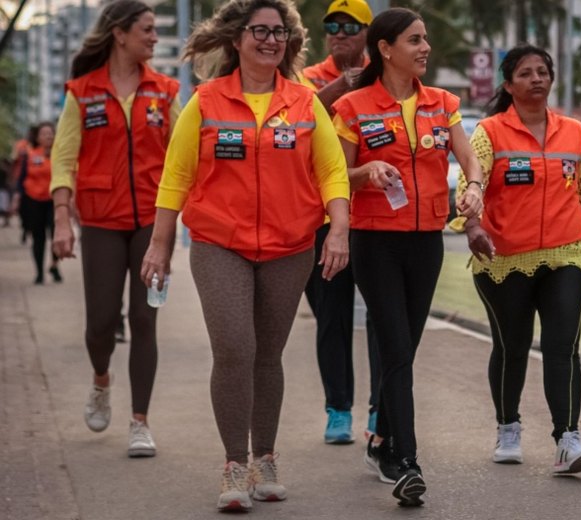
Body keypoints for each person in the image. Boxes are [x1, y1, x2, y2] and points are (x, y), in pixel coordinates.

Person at [140, 0, 350, 511]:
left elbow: (331, 172)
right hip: (219, 244)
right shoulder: (206, 101)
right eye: (259, 31)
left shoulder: (304, 103)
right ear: (237, 39)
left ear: (288, 42)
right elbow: (177, 175)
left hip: (291, 245)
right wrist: (160, 244)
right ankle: (235, 466)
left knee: (267, 355)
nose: (270, 39)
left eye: (278, 32)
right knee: (235, 347)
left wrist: (339, 227)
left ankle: (266, 458)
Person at [331, 7, 483, 507]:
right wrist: (366, 169)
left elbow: (467, 155)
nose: (425, 48)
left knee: (405, 349)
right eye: (415, 40)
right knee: (396, 346)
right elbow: (332, 174)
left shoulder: (443, 103)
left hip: (427, 240)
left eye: (426, 40)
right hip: (375, 241)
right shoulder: (353, 106)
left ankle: (379, 440)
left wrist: (475, 186)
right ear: (385, 48)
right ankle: (407, 461)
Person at [453, 44, 581, 476]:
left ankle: (568, 440)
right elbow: (469, 178)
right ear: (508, 84)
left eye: (543, 71)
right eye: (525, 73)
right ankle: (508, 428)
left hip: (567, 252)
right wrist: (473, 223)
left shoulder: (573, 130)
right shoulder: (490, 132)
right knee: (512, 346)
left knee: (563, 345)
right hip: (504, 257)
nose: (536, 79)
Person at [50, 0, 180, 459]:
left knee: (144, 319)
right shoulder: (82, 91)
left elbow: (183, 158)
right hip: (102, 221)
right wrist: (62, 217)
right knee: (100, 325)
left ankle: (140, 422)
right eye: (146, 30)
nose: (154, 37)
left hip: (152, 219)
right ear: (119, 34)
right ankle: (101, 380)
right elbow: (63, 159)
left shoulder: (165, 91)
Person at [300, 0, 380, 445]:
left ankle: (378, 409)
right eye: (332, 25)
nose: (340, 32)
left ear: (369, 33)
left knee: (379, 318)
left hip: (372, 218)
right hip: (321, 216)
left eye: (351, 25)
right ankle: (338, 410)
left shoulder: (385, 76)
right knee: (332, 316)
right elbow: (295, 118)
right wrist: (338, 87)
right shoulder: (310, 77)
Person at [14, 122, 62, 284]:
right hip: (33, 201)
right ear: (37, 137)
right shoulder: (30, 154)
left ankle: (54, 265)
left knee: (56, 235)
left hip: (54, 201)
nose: (48, 136)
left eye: (50, 133)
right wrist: (18, 197)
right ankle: (40, 273)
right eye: (44, 133)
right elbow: (21, 179)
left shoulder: (61, 154)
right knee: (38, 237)